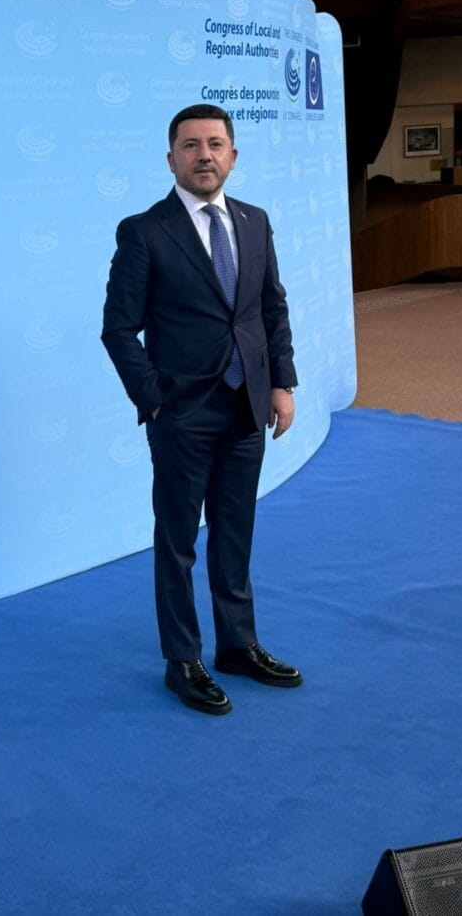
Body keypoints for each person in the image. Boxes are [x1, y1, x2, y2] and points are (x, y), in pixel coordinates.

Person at [101, 104, 301, 715]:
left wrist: (282, 383)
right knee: (178, 542)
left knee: (235, 533)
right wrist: (155, 402)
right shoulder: (144, 231)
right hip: (182, 415)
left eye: (215, 143)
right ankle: (182, 659)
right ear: (171, 160)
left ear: (233, 156)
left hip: (247, 407)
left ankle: (237, 645)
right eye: (190, 145)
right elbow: (118, 329)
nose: (204, 155)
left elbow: (271, 308)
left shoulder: (254, 221)